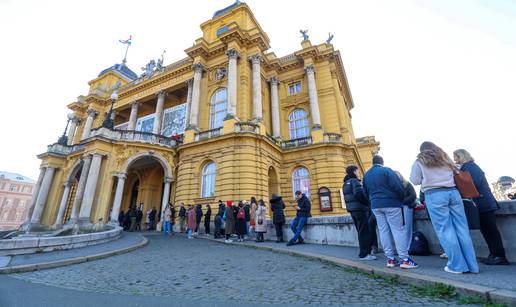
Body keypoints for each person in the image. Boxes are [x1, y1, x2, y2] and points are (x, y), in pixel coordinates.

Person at [410, 142, 478, 274]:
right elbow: (457, 171)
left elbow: (415, 180)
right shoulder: (445, 158)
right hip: (453, 193)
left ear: (422, 150)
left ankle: (457, 266)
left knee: (445, 230)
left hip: (435, 195)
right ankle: (472, 266)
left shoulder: (419, 161)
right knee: (462, 228)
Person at [454, 149, 509, 265]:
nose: (454, 160)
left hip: (484, 203)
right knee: (486, 231)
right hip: (481, 204)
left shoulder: (471, 167)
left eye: (456, 157)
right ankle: (493, 254)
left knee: (491, 231)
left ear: (461, 157)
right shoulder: (467, 168)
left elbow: (474, 183)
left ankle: (500, 256)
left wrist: (458, 177)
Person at [363, 155, 418, 269]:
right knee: (398, 230)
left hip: (376, 205)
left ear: (373, 163)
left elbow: (365, 192)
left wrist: (373, 201)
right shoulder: (386, 171)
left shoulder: (366, 175)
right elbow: (398, 186)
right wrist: (400, 198)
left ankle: (391, 259)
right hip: (391, 204)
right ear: (382, 162)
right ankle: (404, 259)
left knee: (383, 231)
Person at [343, 165, 376, 261]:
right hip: (360, 209)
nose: (358, 173)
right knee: (364, 231)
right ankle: (364, 254)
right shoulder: (354, 181)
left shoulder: (345, 183)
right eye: (357, 171)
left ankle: (364, 253)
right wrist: (367, 202)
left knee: (360, 231)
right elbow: (358, 194)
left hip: (353, 210)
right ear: (354, 171)